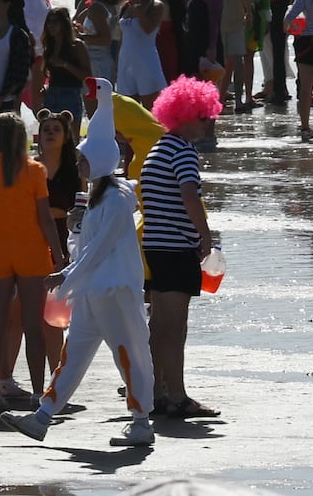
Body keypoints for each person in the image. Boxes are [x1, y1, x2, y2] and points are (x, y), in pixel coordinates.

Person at [19, 104, 153, 447]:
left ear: (99, 163)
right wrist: (75, 235)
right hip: (93, 290)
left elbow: (101, 250)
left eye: (83, 160)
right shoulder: (98, 197)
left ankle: (141, 421)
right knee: (73, 353)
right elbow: (88, 245)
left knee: (125, 353)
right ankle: (42, 416)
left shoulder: (116, 200)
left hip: (110, 291)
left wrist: (66, 275)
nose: (78, 164)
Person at [140, 76, 223, 422]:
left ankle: (155, 390)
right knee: (175, 327)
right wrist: (205, 237)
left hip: (155, 246)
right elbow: (190, 196)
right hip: (176, 247)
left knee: (159, 325)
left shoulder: (158, 149)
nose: (209, 123)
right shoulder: (184, 152)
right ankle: (177, 395)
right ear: (186, 115)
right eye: (203, 116)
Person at [0, 106, 52, 409]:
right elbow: (44, 218)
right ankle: (38, 390)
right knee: (33, 325)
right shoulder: (35, 169)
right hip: (30, 251)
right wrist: (59, 252)